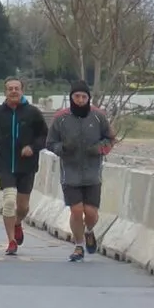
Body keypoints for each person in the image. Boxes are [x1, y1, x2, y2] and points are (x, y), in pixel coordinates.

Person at [46, 80, 113, 262]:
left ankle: (89, 231)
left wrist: (99, 149)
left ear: (89, 98)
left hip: (92, 173)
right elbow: (50, 143)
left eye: (84, 97)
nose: (80, 100)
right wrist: (63, 148)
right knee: (76, 211)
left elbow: (110, 139)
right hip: (70, 173)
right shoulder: (61, 118)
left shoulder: (98, 116)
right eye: (77, 96)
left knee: (90, 213)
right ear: (71, 98)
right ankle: (78, 245)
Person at [0, 77, 48, 255]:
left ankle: (18, 222)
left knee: (23, 207)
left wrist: (32, 148)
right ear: (5, 92)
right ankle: (11, 240)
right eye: (10, 88)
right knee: (9, 201)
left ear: (22, 91)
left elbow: (44, 136)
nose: (13, 91)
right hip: (4, 164)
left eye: (16, 88)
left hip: (26, 166)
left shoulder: (33, 113)